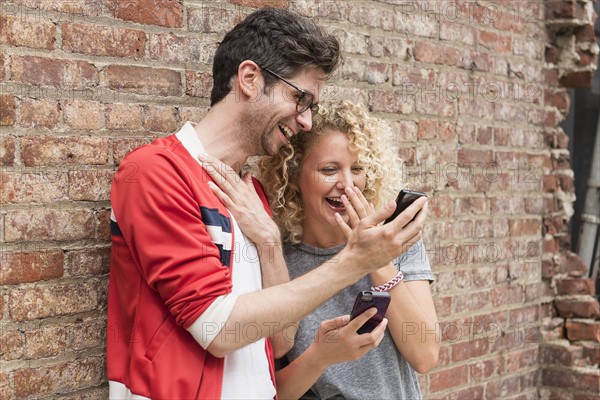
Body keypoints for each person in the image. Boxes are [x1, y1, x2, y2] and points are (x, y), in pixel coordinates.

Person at [107, 7, 428, 400]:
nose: (306, 120)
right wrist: (357, 260)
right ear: (249, 78)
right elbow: (218, 330)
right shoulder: (156, 171)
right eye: (300, 98)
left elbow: (278, 341)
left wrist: (270, 242)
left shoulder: (251, 194)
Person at [257, 100, 440, 399]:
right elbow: (271, 392)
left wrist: (377, 259)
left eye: (357, 169)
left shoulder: (398, 241)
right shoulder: (278, 260)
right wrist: (321, 356)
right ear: (293, 174)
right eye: (329, 169)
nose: (347, 183)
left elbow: (425, 355)